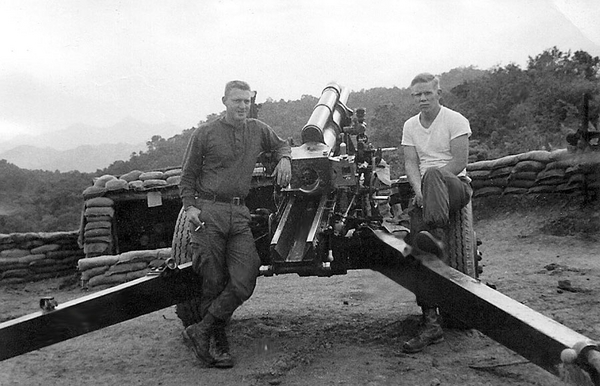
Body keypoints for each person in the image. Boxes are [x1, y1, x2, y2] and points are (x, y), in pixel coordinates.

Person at [178, 80, 292, 368]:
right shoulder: (205, 134)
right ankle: (216, 341)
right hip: (209, 211)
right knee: (213, 280)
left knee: (246, 275)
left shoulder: (257, 129)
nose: (243, 106)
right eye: (237, 101)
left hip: (239, 212)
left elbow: (281, 145)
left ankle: (201, 330)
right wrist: (190, 207)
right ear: (224, 101)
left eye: (247, 101)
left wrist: (285, 159)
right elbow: (188, 175)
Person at [400, 73, 472, 353]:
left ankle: (438, 235)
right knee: (417, 249)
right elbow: (409, 163)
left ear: (438, 93)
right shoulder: (410, 126)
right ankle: (431, 323)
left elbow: (459, 161)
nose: (422, 99)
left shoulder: (455, 120)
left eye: (427, 93)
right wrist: (420, 192)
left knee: (432, 173)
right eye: (417, 95)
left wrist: (431, 183)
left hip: (455, 186)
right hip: (426, 193)